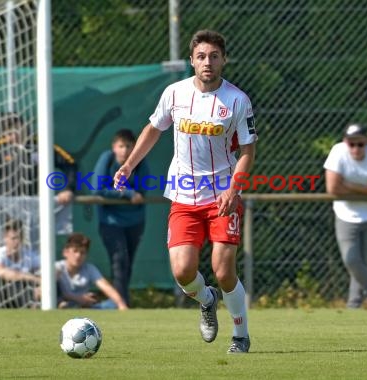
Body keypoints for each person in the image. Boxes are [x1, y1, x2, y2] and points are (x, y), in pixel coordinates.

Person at [113, 30, 257, 353]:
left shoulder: (237, 100)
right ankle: (206, 300)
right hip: (183, 194)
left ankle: (240, 336)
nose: (208, 62)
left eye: (214, 56)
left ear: (224, 60)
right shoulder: (174, 94)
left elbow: (248, 150)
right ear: (192, 60)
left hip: (223, 195)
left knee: (223, 269)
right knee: (182, 270)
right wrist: (129, 165)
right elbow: (153, 129)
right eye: (202, 56)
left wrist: (235, 188)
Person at [324, 124, 367, 309]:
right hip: (345, 214)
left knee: (362, 263)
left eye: (360, 144)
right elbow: (332, 188)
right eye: (351, 144)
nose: (355, 148)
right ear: (345, 142)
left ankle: (354, 305)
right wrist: (366, 190)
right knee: (351, 259)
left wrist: (349, 186)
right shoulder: (338, 151)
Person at [0, 110, 77, 206]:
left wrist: (68, 189)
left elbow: (70, 164)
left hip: (37, 204)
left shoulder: (42, 144)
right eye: (8, 133)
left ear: (23, 125)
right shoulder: (0, 148)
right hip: (7, 206)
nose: (13, 136)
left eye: (15, 129)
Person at [93, 129, 148, 307]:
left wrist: (132, 193)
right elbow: (97, 189)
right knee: (119, 260)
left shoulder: (140, 162)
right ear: (114, 147)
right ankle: (121, 305)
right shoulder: (107, 159)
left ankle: (120, 302)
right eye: (121, 146)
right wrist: (127, 193)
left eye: (129, 146)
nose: (124, 150)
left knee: (127, 263)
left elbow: (144, 187)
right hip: (110, 221)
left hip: (135, 221)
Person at [55, 232, 129, 310]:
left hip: (84, 306)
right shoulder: (56, 268)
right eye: (75, 251)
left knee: (113, 304)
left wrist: (121, 305)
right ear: (65, 252)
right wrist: (78, 298)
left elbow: (105, 286)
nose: (78, 255)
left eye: (82, 252)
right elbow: (45, 291)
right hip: (62, 304)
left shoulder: (89, 268)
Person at [0, 219, 40, 309]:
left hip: (20, 302)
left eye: (19, 238)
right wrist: (32, 278)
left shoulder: (29, 255)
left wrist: (42, 284)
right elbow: (1, 272)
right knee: (3, 281)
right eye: (13, 238)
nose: (16, 242)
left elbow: (50, 270)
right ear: (5, 238)